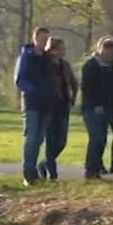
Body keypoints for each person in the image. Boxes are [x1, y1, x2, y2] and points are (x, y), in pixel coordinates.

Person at [12, 25, 58, 184]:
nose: (44, 42)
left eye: (46, 39)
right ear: (35, 38)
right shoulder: (26, 56)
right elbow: (19, 79)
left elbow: (53, 78)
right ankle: (28, 173)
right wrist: (34, 91)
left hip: (47, 104)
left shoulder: (48, 58)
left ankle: (33, 172)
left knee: (39, 138)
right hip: (32, 103)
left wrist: (53, 94)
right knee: (31, 137)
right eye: (41, 39)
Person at [79, 38, 113, 180]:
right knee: (96, 137)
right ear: (101, 50)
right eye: (108, 52)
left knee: (105, 137)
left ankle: (98, 166)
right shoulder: (91, 66)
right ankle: (91, 168)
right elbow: (87, 87)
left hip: (109, 105)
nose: (111, 55)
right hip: (92, 107)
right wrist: (96, 104)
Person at [39, 36, 75, 181]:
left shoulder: (64, 65)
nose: (63, 52)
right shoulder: (45, 64)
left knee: (61, 141)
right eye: (61, 49)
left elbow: (72, 81)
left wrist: (73, 97)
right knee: (50, 140)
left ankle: (43, 165)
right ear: (52, 49)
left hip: (63, 105)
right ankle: (52, 173)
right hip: (49, 106)